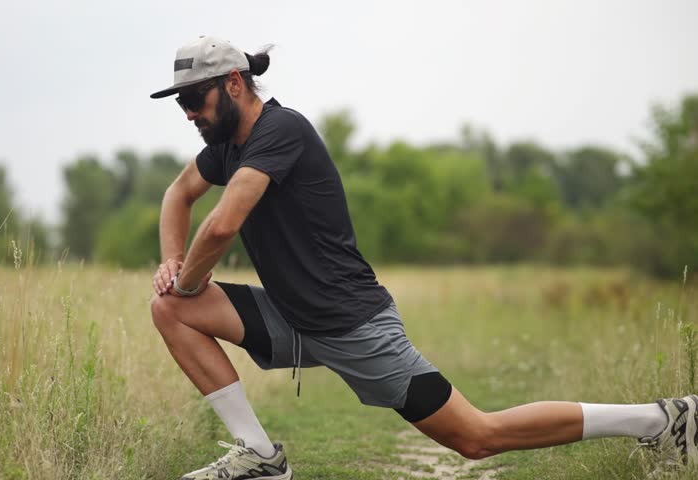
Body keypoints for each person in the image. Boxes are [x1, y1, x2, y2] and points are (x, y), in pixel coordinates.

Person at [148, 36, 697, 480]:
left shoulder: (280, 130)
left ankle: (659, 419)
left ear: (235, 83)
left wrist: (189, 281)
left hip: (353, 325)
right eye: (181, 103)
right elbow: (178, 194)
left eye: (195, 99)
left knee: (476, 437)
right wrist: (173, 264)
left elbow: (221, 226)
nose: (189, 113)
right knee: (170, 308)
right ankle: (260, 456)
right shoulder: (227, 148)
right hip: (293, 318)